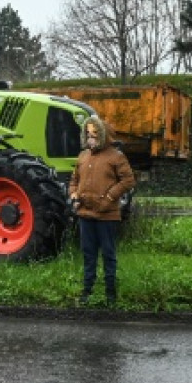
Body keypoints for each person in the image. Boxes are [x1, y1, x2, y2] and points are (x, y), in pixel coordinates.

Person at [69, 115, 136, 306]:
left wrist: (109, 198)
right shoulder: (83, 156)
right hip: (85, 214)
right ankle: (87, 290)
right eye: (88, 133)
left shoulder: (116, 156)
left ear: (103, 134)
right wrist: (74, 195)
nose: (91, 137)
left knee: (108, 253)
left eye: (95, 133)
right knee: (88, 253)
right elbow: (74, 180)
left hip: (107, 215)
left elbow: (128, 180)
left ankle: (110, 292)